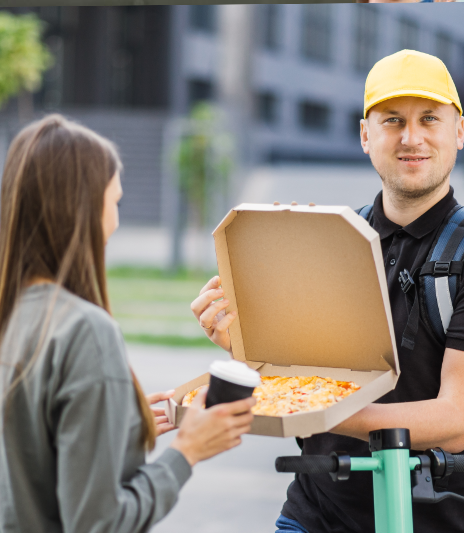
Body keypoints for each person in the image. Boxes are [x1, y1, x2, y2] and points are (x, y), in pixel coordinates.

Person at [190, 49, 464, 533]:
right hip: (313, 514)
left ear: (458, 132)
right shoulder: (334, 238)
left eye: (429, 119)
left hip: (427, 520)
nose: (411, 137)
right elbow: (309, 371)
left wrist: (312, 414)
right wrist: (243, 345)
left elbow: (456, 418)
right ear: (365, 135)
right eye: (392, 120)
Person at [0, 115, 255, 533]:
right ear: (81, 209)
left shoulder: (13, 314)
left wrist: (118, 432)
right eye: (114, 201)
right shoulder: (84, 332)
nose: (115, 222)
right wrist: (187, 451)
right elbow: (99, 523)